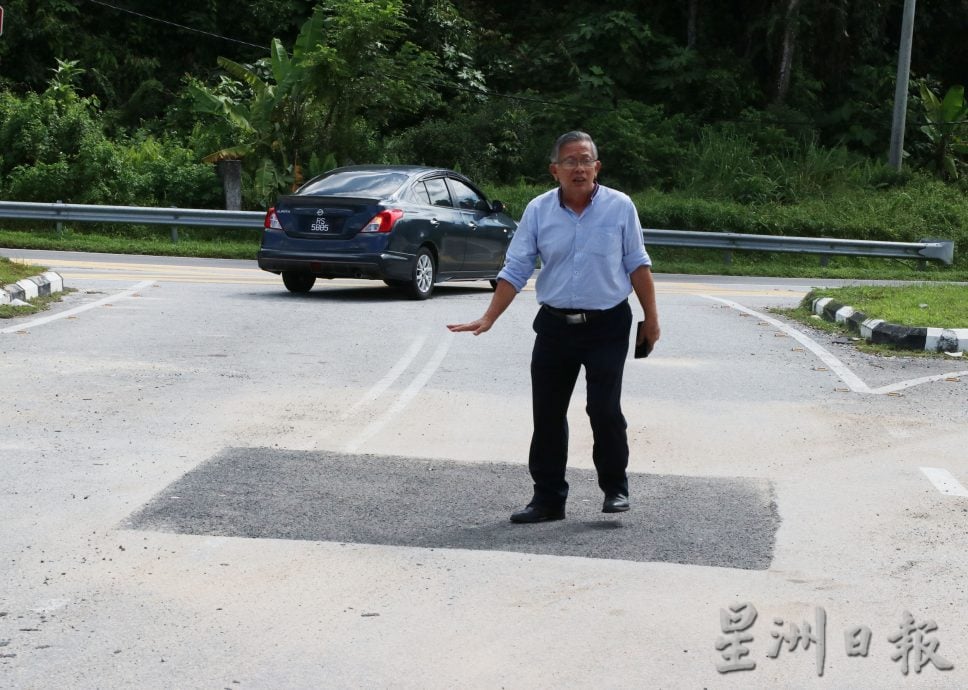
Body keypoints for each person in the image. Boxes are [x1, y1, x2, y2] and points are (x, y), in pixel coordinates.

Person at [447, 130, 661, 523]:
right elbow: (516, 267)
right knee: (547, 413)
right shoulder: (539, 210)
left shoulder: (620, 207)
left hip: (608, 324)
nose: (579, 168)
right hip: (555, 326)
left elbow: (637, 263)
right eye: (570, 162)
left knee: (603, 408)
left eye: (585, 161)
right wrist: (490, 316)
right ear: (554, 170)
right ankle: (548, 500)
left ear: (597, 167)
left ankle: (615, 487)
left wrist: (652, 318)